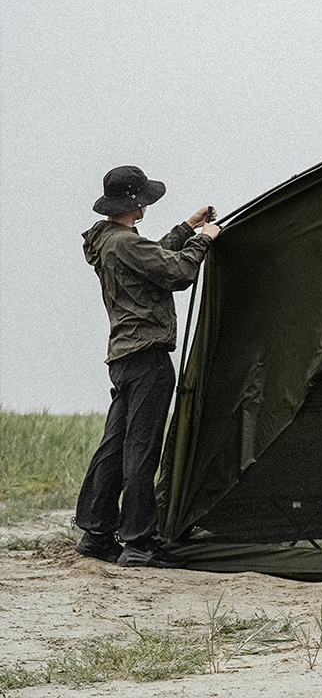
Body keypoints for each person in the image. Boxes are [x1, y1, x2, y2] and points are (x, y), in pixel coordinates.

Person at [75, 165, 220, 568]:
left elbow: (151, 255)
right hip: (148, 359)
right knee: (141, 450)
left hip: (124, 358)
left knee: (115, 446)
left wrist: (187, 228)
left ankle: (96, 533)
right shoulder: (124, 243)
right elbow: (177, 272)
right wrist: (204, 240)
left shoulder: (108, 241)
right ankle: (139, 542)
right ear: (136, 205)